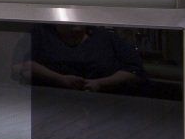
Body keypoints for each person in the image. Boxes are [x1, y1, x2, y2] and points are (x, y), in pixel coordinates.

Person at [13, 23, 147, 93]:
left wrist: (99, 83)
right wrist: (60, 79)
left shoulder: (105, 37)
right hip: (49, 104)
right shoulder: (41, 35)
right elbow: (19, 66)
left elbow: (134, 70)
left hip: (104, 104)